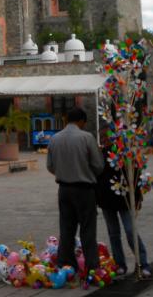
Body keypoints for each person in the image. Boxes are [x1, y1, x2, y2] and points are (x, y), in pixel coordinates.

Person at [46, 106, 104, 273]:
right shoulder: (87, 137)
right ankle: (91, 266)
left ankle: (66, 264)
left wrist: (64, 172)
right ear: (81, 121)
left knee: (66, 228)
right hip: (84, 190)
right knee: (88, 228)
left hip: (64, 189)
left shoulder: (54, 138)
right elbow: (98, 166)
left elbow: (50, 166)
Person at [97, 129, 152, 278]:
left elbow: (135, 176)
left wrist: (138, 198)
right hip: (106, 199)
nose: (104, 140)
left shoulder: (126, 155)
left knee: (130, 231)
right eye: (102, 137)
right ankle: (120, 263)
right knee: (113, 233)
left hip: (125, 199)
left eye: (107, 136)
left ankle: (142, 263)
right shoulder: (99, 155)